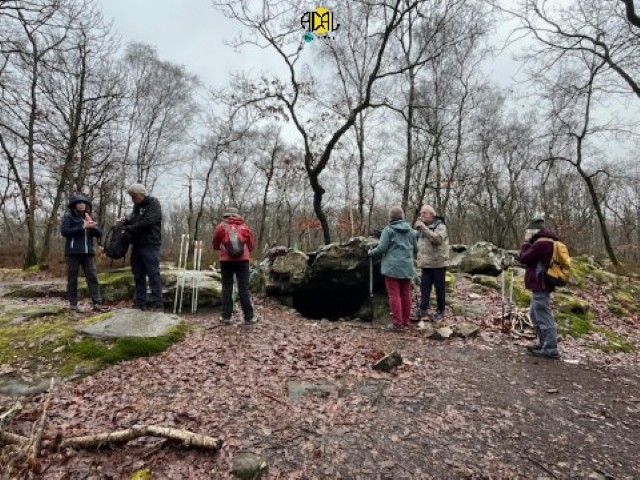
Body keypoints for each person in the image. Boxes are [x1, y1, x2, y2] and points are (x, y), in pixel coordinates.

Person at [368, 206, 418, 330]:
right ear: (402, 216)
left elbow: (382, 248)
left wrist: (371, 252)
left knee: (394, 295)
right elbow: (416, 249)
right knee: (406, 294)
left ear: (390, 217)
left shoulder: (388, 230)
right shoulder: (411, 231)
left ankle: (397, 323)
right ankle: (406, 322)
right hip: (407, 267)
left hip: (392, 267)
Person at [518, 217, 560, 360]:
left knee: (543, 315)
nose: (527, 234)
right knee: (535, 314)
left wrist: (525, 243)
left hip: (540, 283)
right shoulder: (547, 241)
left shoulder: (541, 244)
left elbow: (524, 258)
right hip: (541, 283)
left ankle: (550, 348)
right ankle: (543, 344)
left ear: (534, 230)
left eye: (528, 231)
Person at [60, 194, 107, 312]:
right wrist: (82, 227)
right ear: (74, 205)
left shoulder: (88, 217)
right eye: (79, 203)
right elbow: (65, 232)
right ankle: (73, 304)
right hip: (73, 252)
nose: (82, 204)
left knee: (92, 277)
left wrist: (92, 227)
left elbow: (99, 234)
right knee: (72, 278)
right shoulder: (69, 217)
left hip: (88, 253)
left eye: (83, 203)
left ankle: (97, 303)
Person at [121, 183, 163, 311]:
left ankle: (158, 304)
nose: (132, 199)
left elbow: (149, 221)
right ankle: (140, 303)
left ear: (141, 194)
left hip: (150, 244)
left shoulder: (153, 203)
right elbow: (134, 220)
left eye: (134, 196)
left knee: (153, 274)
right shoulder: (136, 206)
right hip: (137, 244)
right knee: (138, 274)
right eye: (131, 197)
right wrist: (126, 222)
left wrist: (130, 228)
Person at [212, 207, 256, 325]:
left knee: (227, 288)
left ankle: (226, 316)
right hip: (243, 261)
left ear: (226, 215)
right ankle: (249, 317)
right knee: (243, 288)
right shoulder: (244, 227)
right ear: (237, 215)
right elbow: (251, 245)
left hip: (226, 261)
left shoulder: (221, 227)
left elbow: (215, 245)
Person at [414, 205, 449, 321]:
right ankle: (423, 309)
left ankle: (440, 310)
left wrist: (423, 228)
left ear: (432, 215)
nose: (422, 215)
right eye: (421, 213)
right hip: (426, 263)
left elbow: (437, 239)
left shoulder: (441, 226)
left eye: (424, 213)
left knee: (439, 289)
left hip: (438, 263)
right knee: (425, 288)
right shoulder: (423, 228)